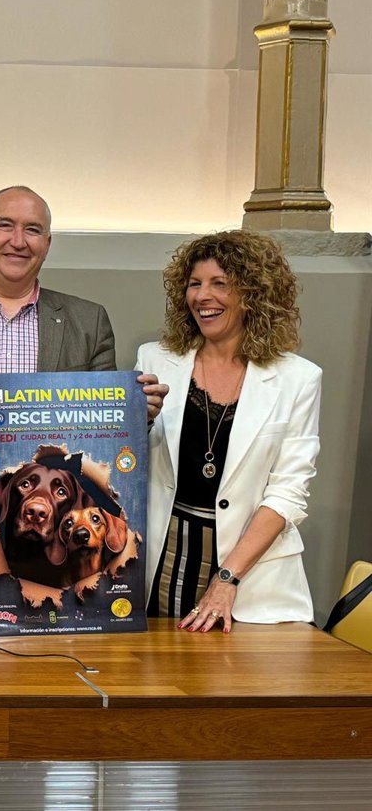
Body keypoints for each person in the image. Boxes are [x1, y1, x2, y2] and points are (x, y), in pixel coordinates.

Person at [0, 185, 166, 616]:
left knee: (51, 656)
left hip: (60, 544)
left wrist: (136, 415)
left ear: (47, 244)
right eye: (5, 225)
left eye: (32, 230)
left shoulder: (87, 321)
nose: (18, 240)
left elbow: (102, 436)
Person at [138, 230, 320, 631]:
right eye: (195, 284)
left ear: (254, 294)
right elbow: (128, 462)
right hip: (163, 559)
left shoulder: (299, 379)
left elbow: (289, 491)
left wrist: (227, 578)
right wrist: (141, 419)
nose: (203, 296)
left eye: (220, 284)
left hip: (250, 574)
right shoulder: (154, 360)